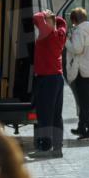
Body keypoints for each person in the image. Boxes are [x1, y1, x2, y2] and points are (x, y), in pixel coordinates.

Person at [29, 10, 67, 159]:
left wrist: (45, 14)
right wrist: (53, 18)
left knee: (44, 115)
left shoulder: (47, 34)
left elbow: (36, 17)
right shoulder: (60, 33)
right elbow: (62, 22)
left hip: (46, 79)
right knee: (56, 115)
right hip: (57, 78)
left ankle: (44, 148)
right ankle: (57, 148)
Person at [65, 7, 89, 140]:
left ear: (74, 20)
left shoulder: (79, 31)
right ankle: (82, 127)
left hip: (83, 71)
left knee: (84, 103)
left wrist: (66, 41)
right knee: (83, 101)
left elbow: (77, 49)